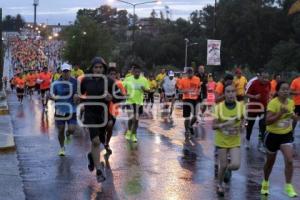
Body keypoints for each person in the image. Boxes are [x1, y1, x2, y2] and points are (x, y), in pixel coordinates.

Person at [80, 57, 122, 182]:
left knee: (98, 142)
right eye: (96, 67)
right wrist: (77, 98)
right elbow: (80, 94)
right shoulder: (85, 80)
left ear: (104, 69)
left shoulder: (109, 81)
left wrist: (112, 98)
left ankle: (91, 157)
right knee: (96, 141)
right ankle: (98, 171)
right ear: (92, 68)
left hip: (103, 114)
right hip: (90, 114)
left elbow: (120, 97)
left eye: (100, 67)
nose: (98, 69)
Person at [261, 81, 299, 198]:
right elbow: (267, 121)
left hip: (286, 135)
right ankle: (265, 182)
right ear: (277, 91)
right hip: (272, 135)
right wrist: (280, 114)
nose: (285, 91)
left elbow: (293, 117)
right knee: (270, 163)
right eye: (283, 89)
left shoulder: (291, 102)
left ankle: (288, 186)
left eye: (287, 89)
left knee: (290, 160)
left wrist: (294, 118)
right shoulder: (273, 103)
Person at [212, 84, 245, 196]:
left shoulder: (241, 106)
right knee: (223, 164)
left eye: (232, 91)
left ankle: (228, 170)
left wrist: (241, 126)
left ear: (235, 93)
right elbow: (214, 126)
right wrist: (224, 125)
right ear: (224, 94)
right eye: (228, 91)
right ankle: (219, 185)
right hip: (221, 140)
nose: (230, 94)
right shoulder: (218, 107)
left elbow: (243, 119)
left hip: (234, 140)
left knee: (235, 165)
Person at [51, 63, 78, 156]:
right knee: (60, 130)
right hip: (60, 110)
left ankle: (68, 134)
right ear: (61, 72)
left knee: (72, 129)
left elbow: (79, 92)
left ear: (70, 71)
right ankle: (62, 148)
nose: (66, 73)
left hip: (72, 109)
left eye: (68, 71)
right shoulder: (56, 83)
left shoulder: (75, 82)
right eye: (64, 71)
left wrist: (76, 96)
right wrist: (53, 97)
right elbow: (51, 95)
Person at [123, 64, 150, 142]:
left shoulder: (144, 80)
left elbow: (148, 90)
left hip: (139, 103)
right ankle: (129, 132)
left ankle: (134, 134)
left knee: (136, 120)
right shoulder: (128, 79)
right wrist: (124, 93)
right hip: (129, 102)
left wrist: (144, 89)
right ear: (133, 72)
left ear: (140, 72)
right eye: (136, 72)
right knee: (131, 119)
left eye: (139, 72)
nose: (137, 73)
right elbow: (122, 87)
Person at [245, 71, 270, 151]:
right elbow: (246, 94)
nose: (265, 79)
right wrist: (254, 96)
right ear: (259, 77)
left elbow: (267, 93)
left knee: (263, 125)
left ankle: (261, 144)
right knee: (250, 126)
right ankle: (247, 140)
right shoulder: (254, 83)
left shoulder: (268, 83)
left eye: (267, 78)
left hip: (263, 108)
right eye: (263, 77)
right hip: (253, 108)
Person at [106, 67, 126, 159]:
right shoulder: (104, 83)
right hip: (102, 110)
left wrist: (113, 98)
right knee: (103, 129)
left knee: (110, 128)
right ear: (107, 75)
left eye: (114, 74)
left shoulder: (119, 84)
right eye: (111, 74)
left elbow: (123, 97)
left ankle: (107, 143)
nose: (112, 76)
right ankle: (103, 142)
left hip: (114, 110)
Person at [177, 67, 201, 139]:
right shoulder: (182, 80)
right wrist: (186, 90)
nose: (190, 74)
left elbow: (199, 87)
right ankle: (187, 130)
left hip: (195, 99)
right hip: (186, 99)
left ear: (193, 73)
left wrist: (199, 91)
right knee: (187, 117)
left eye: (191, 72)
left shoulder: (197, 79)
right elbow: (180, 91)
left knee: (195, 116)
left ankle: (190, 125)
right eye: (189, 72)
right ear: (186, 73)